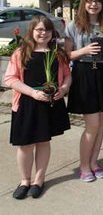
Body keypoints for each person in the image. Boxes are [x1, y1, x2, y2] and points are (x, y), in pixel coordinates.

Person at [4, 16, 71, 199]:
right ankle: (25, 180)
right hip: (27, 103)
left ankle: (38, 180)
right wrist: (32, 93)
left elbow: (67, 75)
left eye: (47, 30)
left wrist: (64, 89)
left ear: (52, 33)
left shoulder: (57, 53)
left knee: (43, 141)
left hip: (50, 103)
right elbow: (10, 79)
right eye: (39, 30)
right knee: (25, 144)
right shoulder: (22, 52)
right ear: (32, 31)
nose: (43, 33)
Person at [64, 0, 103, 182]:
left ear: (102, 4)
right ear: (83, 3)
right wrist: (85, 50)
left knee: (101, 123)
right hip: (84, 73)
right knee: (92, 125)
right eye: (89, 1)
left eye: (97, 1)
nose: (93, 4)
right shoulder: (74, 26)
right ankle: (84, 166)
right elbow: (66, 55)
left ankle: (94, 162)